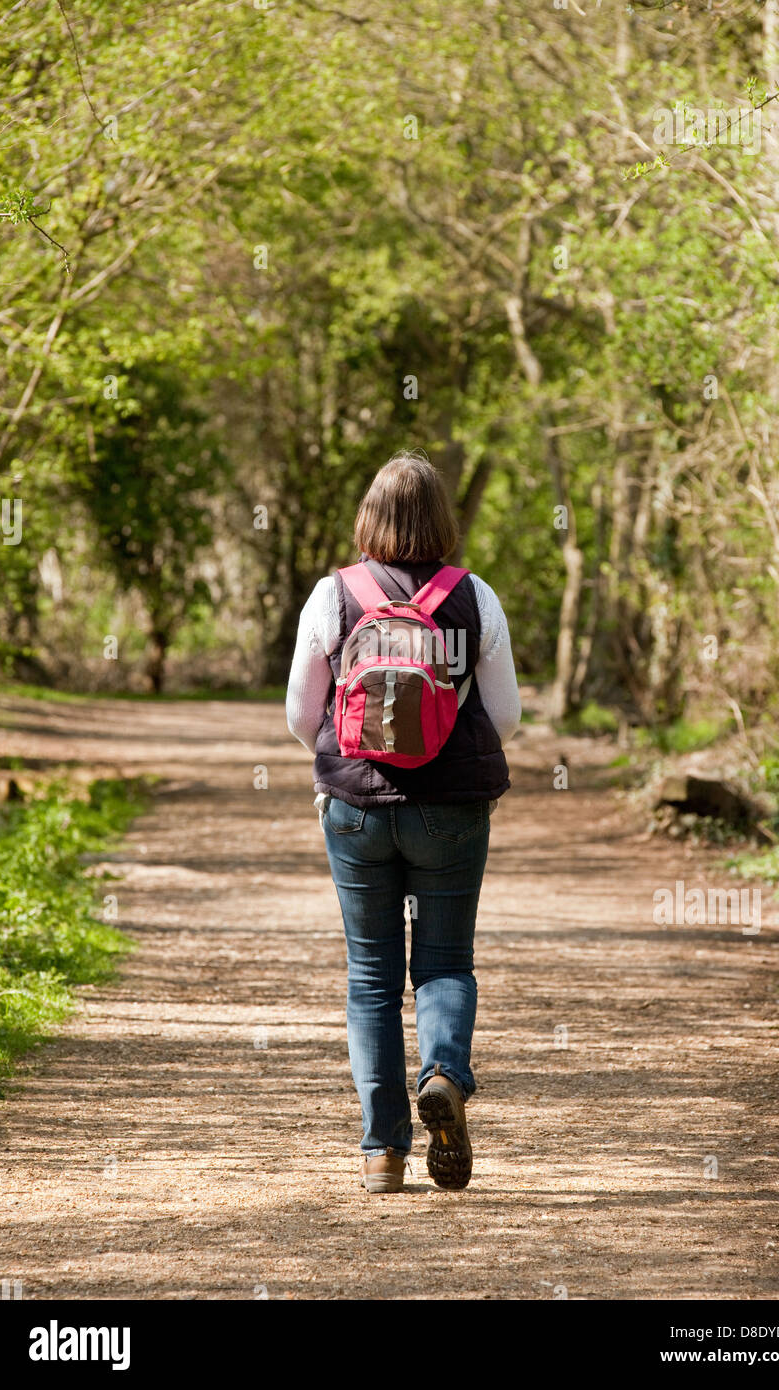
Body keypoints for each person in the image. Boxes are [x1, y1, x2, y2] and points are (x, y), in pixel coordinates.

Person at [286, 451, 521, 1193]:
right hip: (451, 809)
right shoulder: (475, 597)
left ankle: (382, 1151)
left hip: (356, 809)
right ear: (443, 521)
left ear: (370, 518)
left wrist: (342, 759)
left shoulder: (334, 596)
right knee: (446, 962)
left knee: (372, 976)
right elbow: (506, 717)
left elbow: (300, 713)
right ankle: (446, 1073)